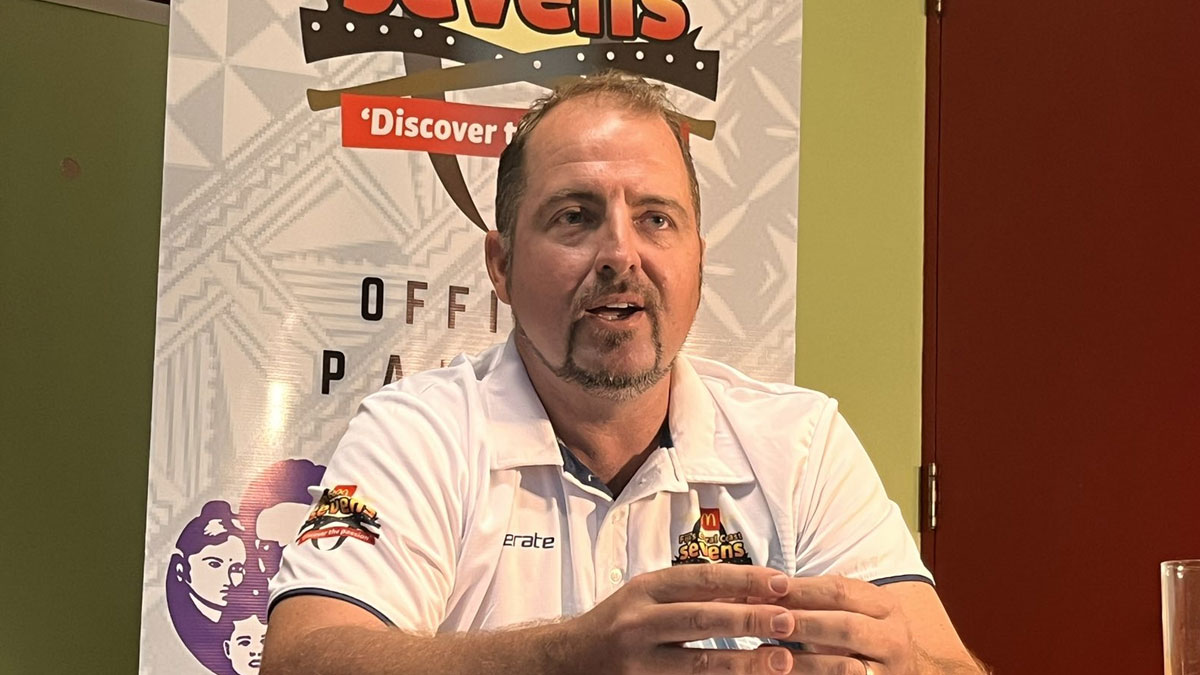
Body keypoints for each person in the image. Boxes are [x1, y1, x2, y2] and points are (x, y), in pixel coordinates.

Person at [263, 72, 986, 674]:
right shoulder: (417, 433)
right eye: (575, 216)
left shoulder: (801, 444)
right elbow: (300, 660)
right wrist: (568, 657)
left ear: (698, 260)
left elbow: (947, 663)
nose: (620, 253)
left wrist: (893, 666)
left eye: (656, 219)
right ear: (501, 266)